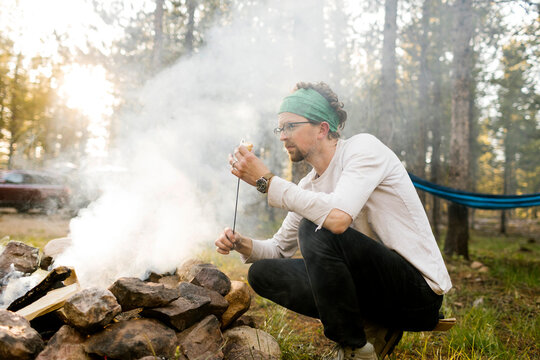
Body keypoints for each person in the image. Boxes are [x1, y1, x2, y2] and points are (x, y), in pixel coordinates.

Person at [215, 81, 452, 360]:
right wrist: (241, 243)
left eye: (291, 126)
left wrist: (268, 181)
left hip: (416, 295)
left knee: (319, 229)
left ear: (322, 128)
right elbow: (279, 249)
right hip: (372, 293)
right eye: (280, 128)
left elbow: (338, 219)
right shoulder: (307, 185)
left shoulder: (363, 149)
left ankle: (354, 348)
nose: (282, 136)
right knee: (262, 273)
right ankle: (371, 326)